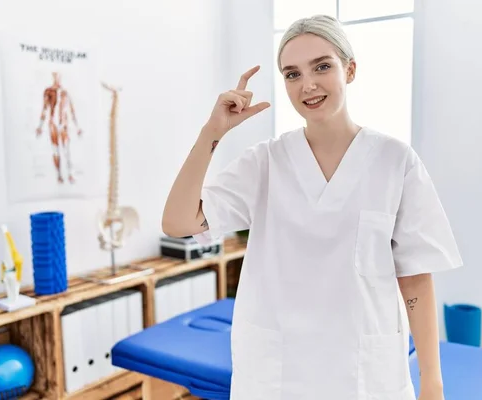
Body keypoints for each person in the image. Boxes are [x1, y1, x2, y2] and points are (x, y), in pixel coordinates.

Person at [162, 14, 462, 400]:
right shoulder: (265, 162)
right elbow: (178, 222)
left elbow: (416, 276)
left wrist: (432, 382)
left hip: (363, 373)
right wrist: (211, 134)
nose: (308, 84)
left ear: (349, 69)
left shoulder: (395, 161)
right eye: (292, 74)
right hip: (277, 373)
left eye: (322, 66)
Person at [36, 72, 82, 184]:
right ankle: (59, 175)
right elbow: (44, 109)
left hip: (63, 124)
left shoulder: (65, 93)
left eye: (59, 75)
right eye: (55, 75)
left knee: (66, 150)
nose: (57, 78)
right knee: (56, 150)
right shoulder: (48, 91)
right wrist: (40, 126)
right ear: (53, 76)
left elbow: (71, 110)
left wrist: (77, 127)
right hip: (53, 125)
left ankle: (70, 174)